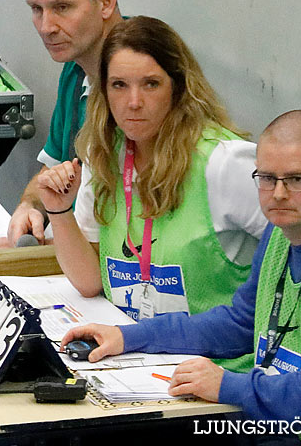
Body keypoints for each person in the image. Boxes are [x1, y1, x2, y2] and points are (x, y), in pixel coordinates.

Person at [63, 111, 301, 446]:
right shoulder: (282, 232)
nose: (279, 194)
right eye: (267, 178)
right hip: (281, 425)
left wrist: (229, 385)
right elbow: (240, 323)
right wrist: (129, 336)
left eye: (297, 179)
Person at [38, 16, 266, 319]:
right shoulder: (104, 153)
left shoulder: (225, 162)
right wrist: (59, 211)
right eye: (119, 85)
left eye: (151, 84)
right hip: (137, 352)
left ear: (179, 87)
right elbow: (90, 282)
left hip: (215, 360)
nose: (133, 102)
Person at [0, 0, 123, 248]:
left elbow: (136, 239)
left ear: (106, 2)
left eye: (61, 7)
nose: (46, 26)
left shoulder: (137, 82)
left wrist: (34, 258)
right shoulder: (76, 68)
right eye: (37, 8)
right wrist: (30, 205)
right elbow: (54, 170)